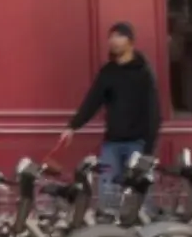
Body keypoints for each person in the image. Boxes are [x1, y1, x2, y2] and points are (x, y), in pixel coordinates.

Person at [56, 22, 161, 190]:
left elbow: (153, 111)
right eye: (111, 37)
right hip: (112, 143)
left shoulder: (144, 73)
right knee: (107, 194)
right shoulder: (108, 72)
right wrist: (72, 126)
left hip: (138, 143)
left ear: (131, 41)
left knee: (138, 198)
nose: (114, 40)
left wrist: (148, 149)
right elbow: (92, 101)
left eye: (119, 36)